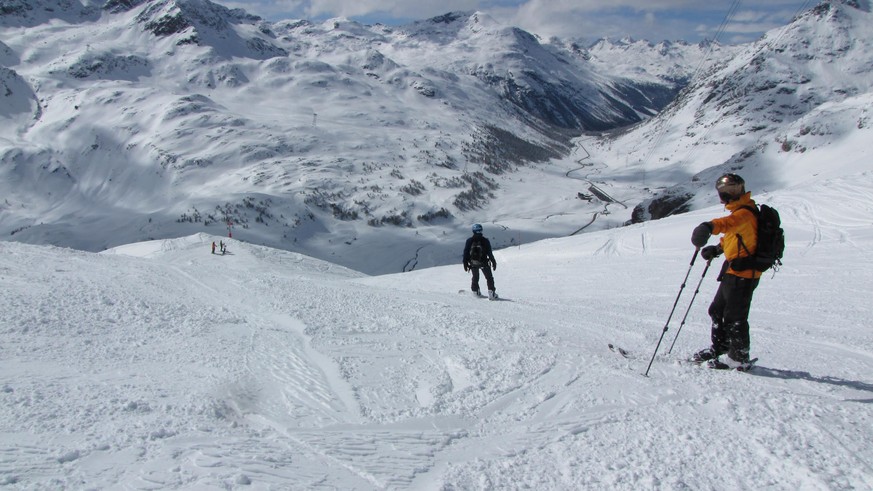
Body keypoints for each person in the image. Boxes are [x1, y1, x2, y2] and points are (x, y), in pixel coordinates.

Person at [690, 173, 761, 369]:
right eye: (724, 193)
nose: (728, 196)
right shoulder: (740, 212)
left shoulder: (744, 213)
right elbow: (734, 236)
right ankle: (720, 347)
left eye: (732, 191)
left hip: (744, 274)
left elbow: (728, 224)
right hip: (734, 270)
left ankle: (738, 358)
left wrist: (708, 226)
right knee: (717, 310)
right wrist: (718, 249)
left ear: (741, 190)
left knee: (734, 317)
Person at [463, 223, 498, 299]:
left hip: (473, 263)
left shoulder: (469, 241)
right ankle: (491, 293)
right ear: (481, 230)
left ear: (473, 231)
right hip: (484, 262)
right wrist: (493, 262)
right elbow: (489, 253)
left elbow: (466, 252)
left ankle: (475, 291)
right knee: (489, 278)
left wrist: (465, 263)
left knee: (475, 277)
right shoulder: (485, 240)